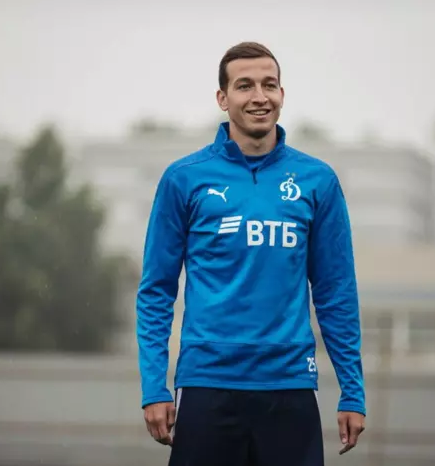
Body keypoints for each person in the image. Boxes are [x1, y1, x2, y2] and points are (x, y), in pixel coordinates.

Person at [136, 41, 366, 466]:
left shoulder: (318, 180)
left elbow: (336, 293)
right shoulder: (183, 179)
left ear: (282, 94)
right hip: (207, 385)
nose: (259, 96)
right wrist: (154, 387)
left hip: (290, 387)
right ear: (222, 99)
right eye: (245, 86)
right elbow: (156, 292)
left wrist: (352, 389)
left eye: (269, 85)